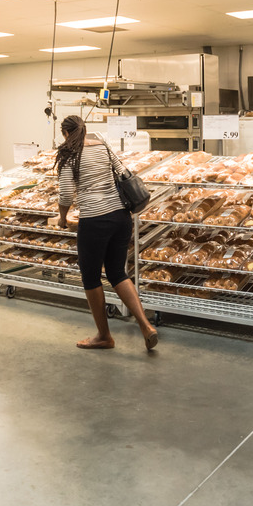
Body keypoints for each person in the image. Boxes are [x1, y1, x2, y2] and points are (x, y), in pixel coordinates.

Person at [55, 115, 158, 352]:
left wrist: (62, 218)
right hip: (121, 216)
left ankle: (104, 336)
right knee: (117, 272)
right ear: (85, 129)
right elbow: (122, 170)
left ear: (65, 134)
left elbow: (66, 194)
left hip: (94, 219)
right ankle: (145, 326)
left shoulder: (68, 154)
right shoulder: (101, 142)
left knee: (90, 277)